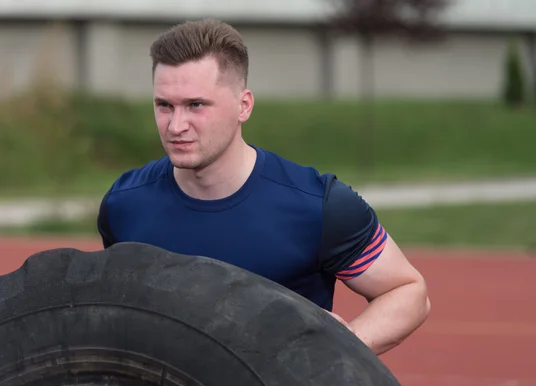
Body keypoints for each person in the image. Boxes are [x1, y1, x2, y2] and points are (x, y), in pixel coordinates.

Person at [97, 18, 430, 356]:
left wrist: (341, 347)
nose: (176, 125)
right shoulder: (125, 205)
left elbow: (408, 291)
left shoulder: (317, 205)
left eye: (196, 105)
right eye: (164, 105)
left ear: (244, 105)